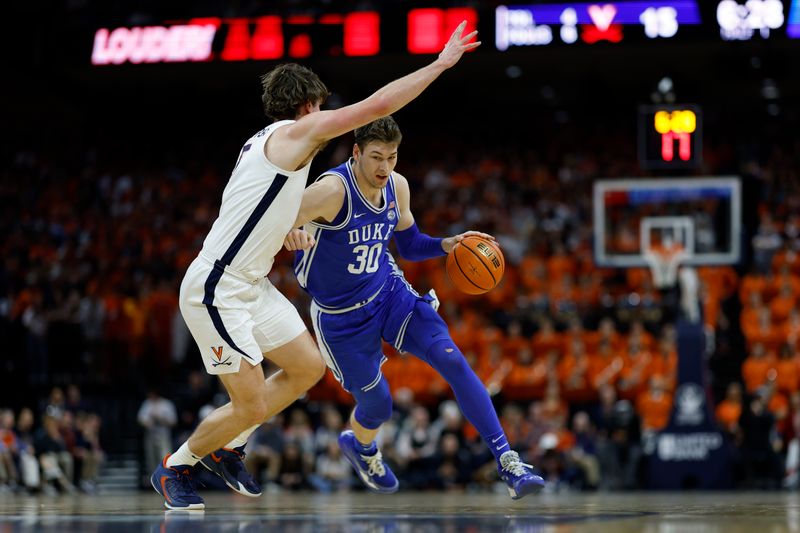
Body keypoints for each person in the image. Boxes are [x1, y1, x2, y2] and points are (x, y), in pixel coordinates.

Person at [150, 23, 480, 510]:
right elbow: (378, 108)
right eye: (321, 106)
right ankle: (176, 465)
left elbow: (265, 208)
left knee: (307, 369)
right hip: (217, 287)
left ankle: (229, 444)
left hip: (251, 281)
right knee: (251, 404)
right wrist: (439, 64)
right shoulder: (298, 132)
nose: (325, 115)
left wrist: (291, 230)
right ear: (308, 106)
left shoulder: (270, 143)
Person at [284, 116, 544, 499]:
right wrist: (290, 231)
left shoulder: (397, 186)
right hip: (340, 318)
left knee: (451, 358)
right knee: (378, 406)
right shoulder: (330, 191)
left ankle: (509, 463)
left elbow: (407, 246)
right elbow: (270, 219)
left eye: (391, 157)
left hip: (388, 292)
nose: (384, 167)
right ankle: (362, 446)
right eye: (375, 157)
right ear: (356, 153)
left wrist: (447, 244)